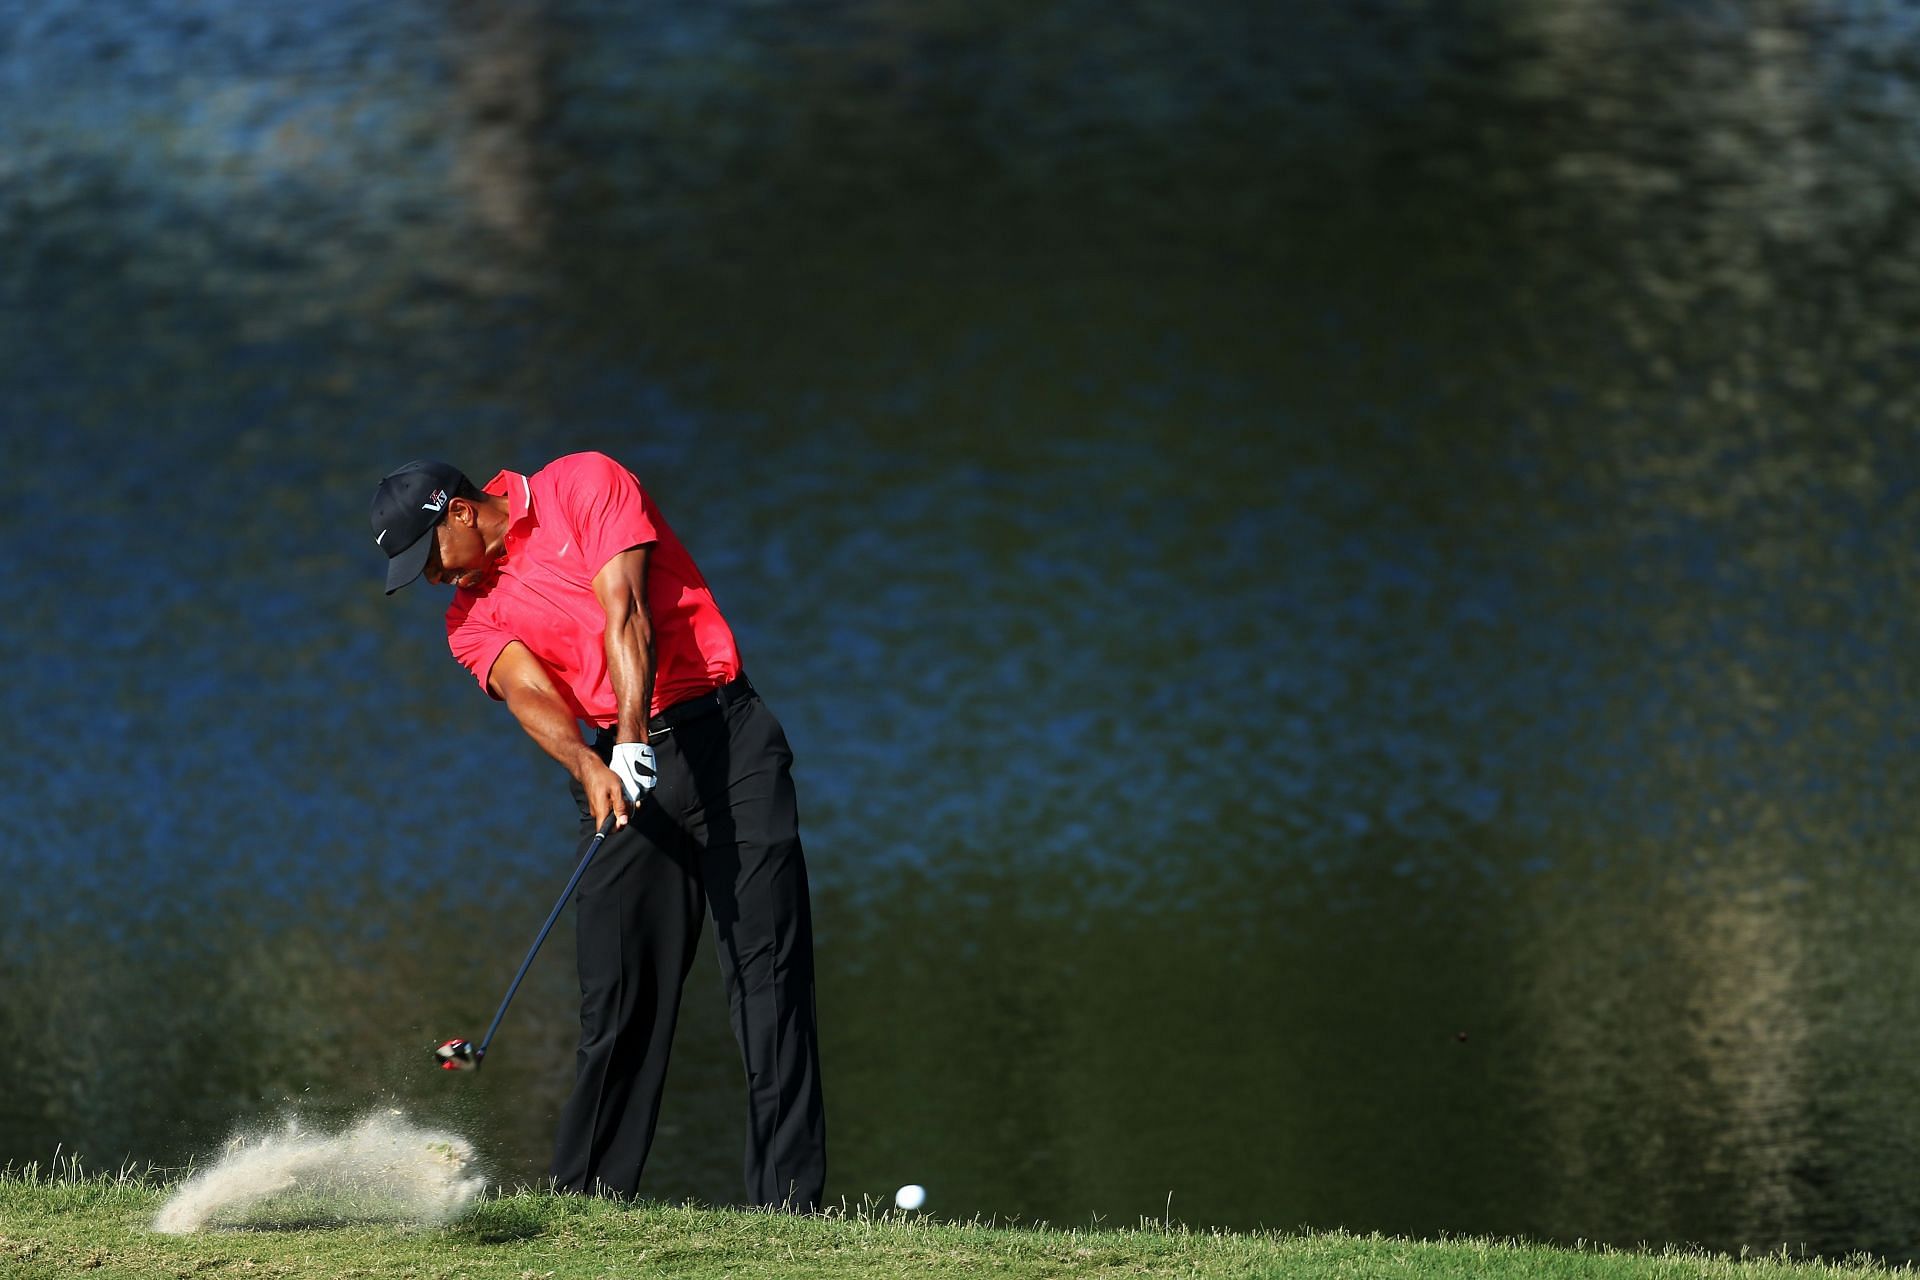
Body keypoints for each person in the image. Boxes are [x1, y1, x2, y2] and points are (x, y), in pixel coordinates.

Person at [369, 451, 826, 1209]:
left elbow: (627, 611)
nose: (431, 580)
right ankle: (586, 1206)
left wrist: (635, 736)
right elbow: (527, 692)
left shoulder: (582, 483)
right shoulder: (469, 618)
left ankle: (793, 1209)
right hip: (617, 772)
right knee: (617, 997)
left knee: (767, 978)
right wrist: (590, 762)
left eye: (429, 560)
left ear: (457, 511)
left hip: (726, 741)